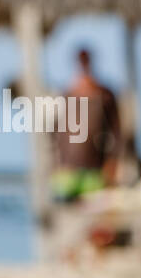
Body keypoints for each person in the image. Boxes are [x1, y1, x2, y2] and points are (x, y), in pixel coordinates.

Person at [51, 47, 123, 201]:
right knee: (64, 212)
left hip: (95, 168)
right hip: (68, 170)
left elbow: (116, 132)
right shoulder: (66, 94)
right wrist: (55, 164)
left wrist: (112, 163)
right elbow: (56, 133)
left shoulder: (104, 95)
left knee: (97, 213)